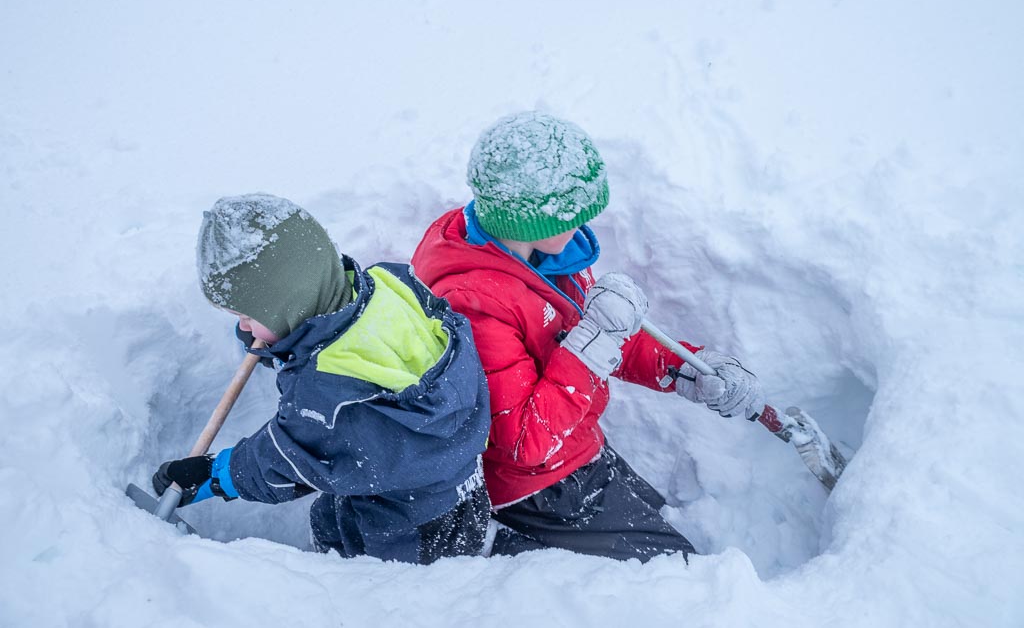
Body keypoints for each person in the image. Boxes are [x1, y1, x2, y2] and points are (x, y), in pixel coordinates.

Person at [410, 112, 765, 562]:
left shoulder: (540, 252)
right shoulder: (475, 302)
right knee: (681, 577)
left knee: (674, 533)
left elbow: (593, 334)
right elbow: (525, 442)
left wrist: (683, 371)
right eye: (569, 216)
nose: (579, 226)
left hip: (577, 445)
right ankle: (510, 549)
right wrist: (595, 337)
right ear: (530, 219)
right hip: (536, 487)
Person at [151, 193, 492, 564]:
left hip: (401, 530)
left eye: (248, 315)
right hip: (451, 482)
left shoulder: (330, 391)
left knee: (372, 583)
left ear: (287, 304)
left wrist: (215, 473)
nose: (243, 325)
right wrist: (281, 335)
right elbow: (330, 337)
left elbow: (290, 457)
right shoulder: (385, 286)